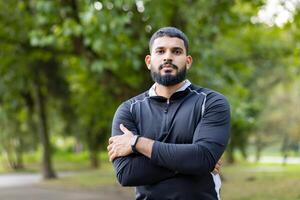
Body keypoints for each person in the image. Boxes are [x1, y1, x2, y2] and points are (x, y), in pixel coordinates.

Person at [107, 27, 230, 200]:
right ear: (149, 61)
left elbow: (202, 158)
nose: (168, 57)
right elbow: (127, 174)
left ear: (188, 61)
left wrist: (137, 143)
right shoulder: (129, 109)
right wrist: (193, 159)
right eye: (160, 51)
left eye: (176, 51)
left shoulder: (211, 102)